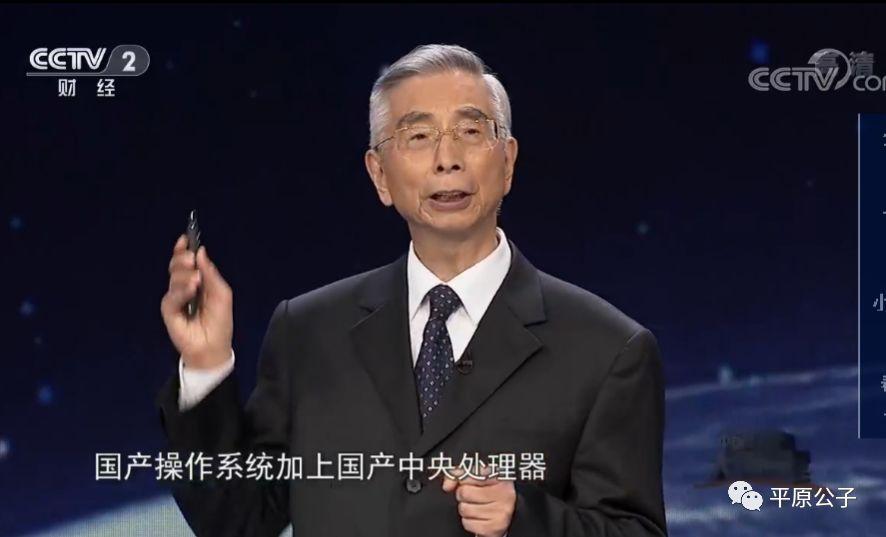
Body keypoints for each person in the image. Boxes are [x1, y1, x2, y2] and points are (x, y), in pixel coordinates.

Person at [157, 43, 667, 537]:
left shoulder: (607, 349)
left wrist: (524, 519)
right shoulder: (307, 332)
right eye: (418, 137)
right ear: (379, 175)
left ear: (508, 162)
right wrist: (205, 365)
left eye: (471, 131)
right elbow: (237, 522)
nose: (447, 159)